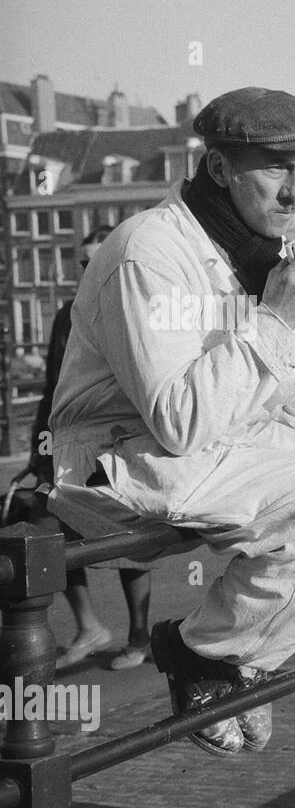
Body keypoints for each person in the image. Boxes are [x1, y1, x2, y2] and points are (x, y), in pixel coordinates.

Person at [49, 87, 295, 758]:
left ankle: (239, 664)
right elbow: (178, 420)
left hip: (224, 447)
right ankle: (199, 653)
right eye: (278, 168)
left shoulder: (242, 248)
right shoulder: (150, 256)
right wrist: (276, 318)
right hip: (124, 460)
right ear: (219, 169)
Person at [28, 226, 152, 669]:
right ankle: (89, 626)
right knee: (46, 525)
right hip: (67, 442)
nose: (86, 269)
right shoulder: (66, 315)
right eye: (82, 262)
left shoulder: (131, 311)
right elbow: (52, 387)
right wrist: (36, 453)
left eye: (93, 260)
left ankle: (140, 636)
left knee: (124, 537)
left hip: (117, 443)